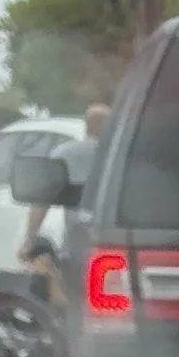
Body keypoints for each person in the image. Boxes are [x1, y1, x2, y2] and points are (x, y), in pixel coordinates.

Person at [23, 102, 111, 278]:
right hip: (115, 244)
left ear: (87, 125)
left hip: (75, 245)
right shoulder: (120, 156)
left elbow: (42, 201)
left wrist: (29, 240)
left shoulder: (63, 153)